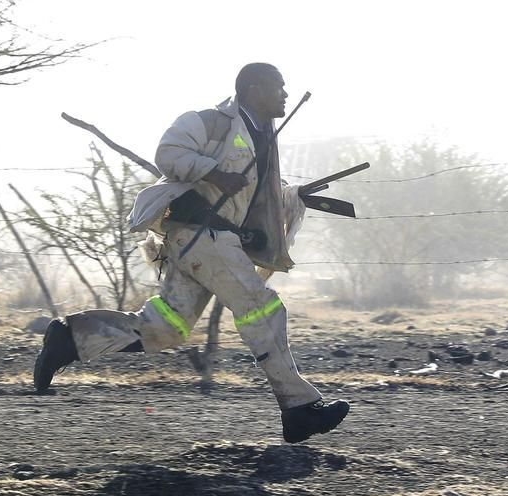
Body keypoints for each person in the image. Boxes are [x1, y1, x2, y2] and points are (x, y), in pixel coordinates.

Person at [33, 62, 350, 444]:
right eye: (278, 87)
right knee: (262, 308)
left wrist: (292, 197)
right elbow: (168, 153)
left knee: (166, 329)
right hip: (204, 234)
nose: (285, 94)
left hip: (205, 242)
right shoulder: (209, 122)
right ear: (252, 89)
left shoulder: (263, 135)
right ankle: (299, 409)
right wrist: (214, 174)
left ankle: (71, 339)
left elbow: (253, 193)